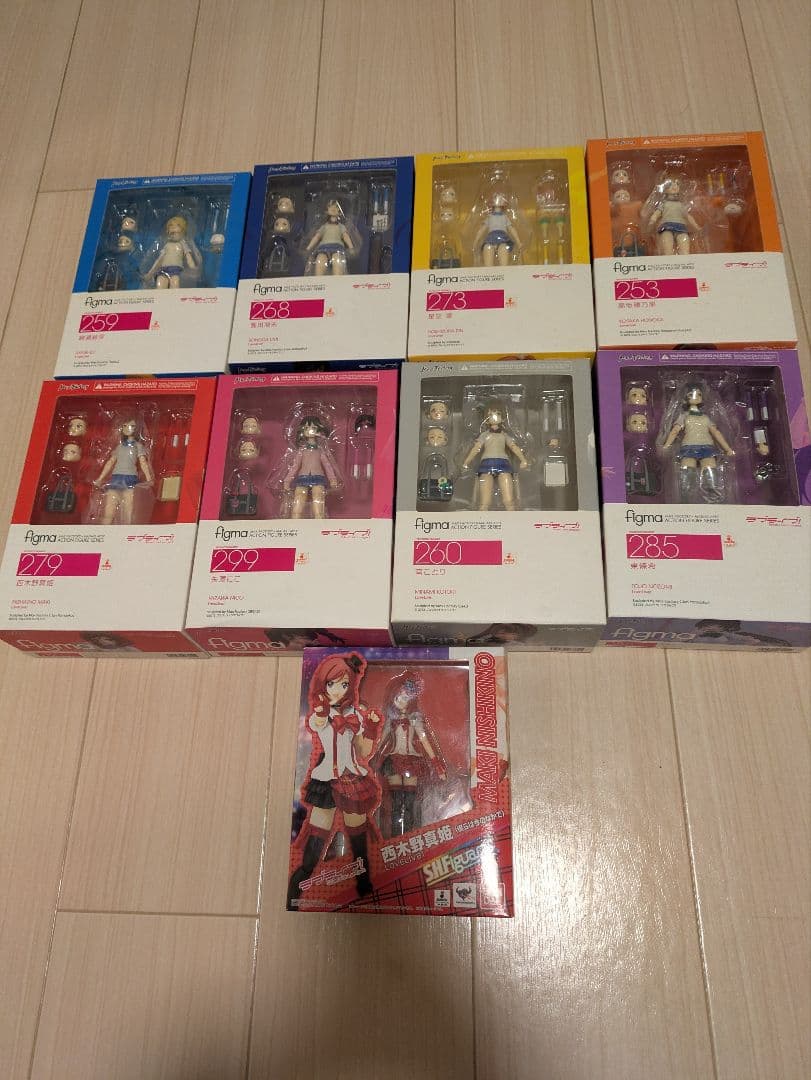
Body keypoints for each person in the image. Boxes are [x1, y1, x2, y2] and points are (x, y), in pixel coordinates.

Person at [287, 653, 382, 909]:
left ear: (351, 685)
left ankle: (365, 890)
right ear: (323, 684)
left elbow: (363, 752)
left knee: (358, 840)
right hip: (327, 777)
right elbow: (317, 722)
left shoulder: (356, 715)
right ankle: (296, 888)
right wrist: (321, 709)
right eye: (332, 684)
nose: (338, 690)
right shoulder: (322, 714)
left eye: (344, 684)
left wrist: (370, 728)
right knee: (316, 838)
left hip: (352, 777)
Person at [374, 671, 446, 837]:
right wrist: (368, 757)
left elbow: (424, 740)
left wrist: (436, 764)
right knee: (396, 802)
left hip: (412, 761)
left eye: (405, 698)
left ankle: (408, 836)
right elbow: (380, 740)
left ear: (411, 699)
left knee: (409, 801)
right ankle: (395, 837)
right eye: (397, 697)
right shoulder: (391, 719)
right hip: (393, 759)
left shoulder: (415, 718)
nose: (400, 701)